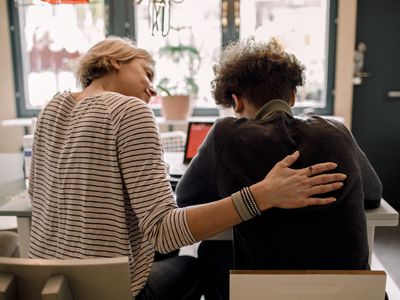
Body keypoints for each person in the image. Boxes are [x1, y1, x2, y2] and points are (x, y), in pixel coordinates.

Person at [28, 36, 347, 300]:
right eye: (147, 73)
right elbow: (165, 232)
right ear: (115, 60)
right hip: (109, 292)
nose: (152, 90)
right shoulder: (130, 109)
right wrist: (263, 195)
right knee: (199, 264)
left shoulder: (51, 107)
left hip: (45, 285)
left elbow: (39, 194)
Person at [176, 37, 382, 299]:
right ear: (293, 96)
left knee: (211, 252)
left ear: (236, 102)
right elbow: (374, 194)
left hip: (261, 294)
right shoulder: (335, 131)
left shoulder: (226, 135)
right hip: (349, 295)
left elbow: (185, 199)